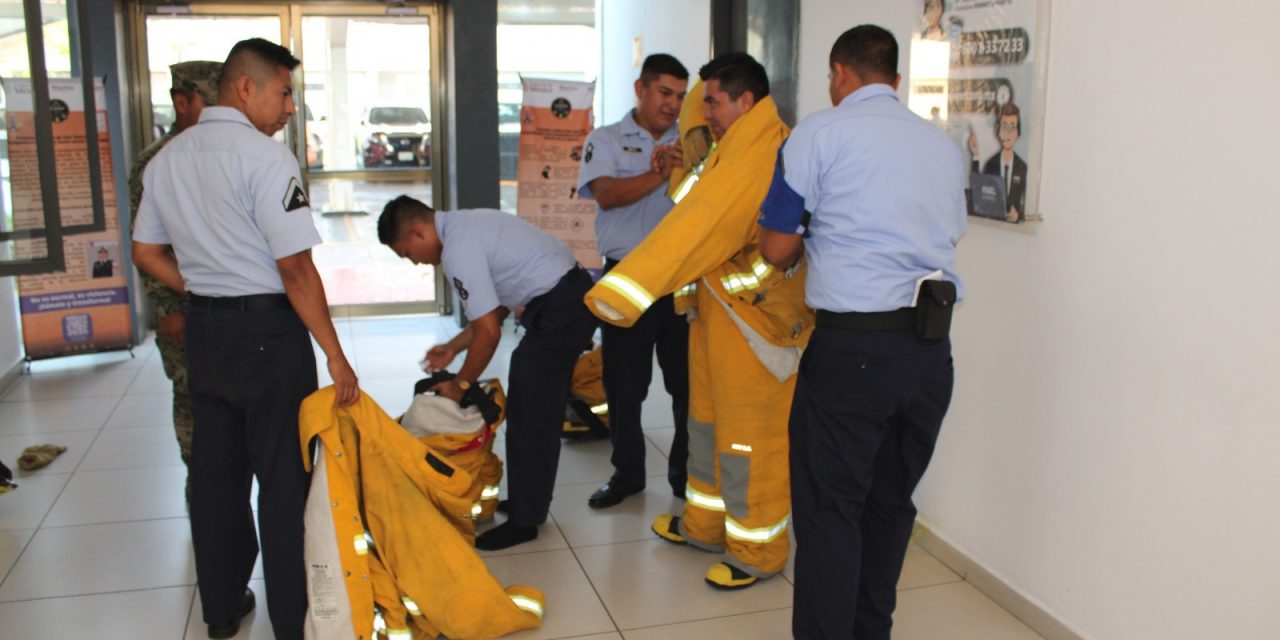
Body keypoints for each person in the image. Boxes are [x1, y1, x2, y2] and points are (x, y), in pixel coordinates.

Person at [132, 38, 359, 640]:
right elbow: (295, 269)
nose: (289, 107)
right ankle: (292, 619)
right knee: (283, 481)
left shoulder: (166, 161)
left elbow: (145, 252)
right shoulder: (266, 159)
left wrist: (203, 285)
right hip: (267, 335)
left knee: (216, 478)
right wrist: (336, 355)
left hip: (206, 333)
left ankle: (222, 607)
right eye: (283, 93)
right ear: (245, 88)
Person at [757, 25, 966, 639]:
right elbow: (948, 233)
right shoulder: (940, 145)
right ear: (895, 79)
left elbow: (776, 247)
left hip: (852, 352)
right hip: (929, 353)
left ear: (839, 73)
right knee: (889, 506)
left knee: (830, 513)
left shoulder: (819, 133)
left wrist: (813, 239)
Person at [583, 52, 810, 590]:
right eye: (702, 102)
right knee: (705, 427)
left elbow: (701, 225)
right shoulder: (726, 148)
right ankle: (705, 524)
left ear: (746, 102)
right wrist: (684, 161)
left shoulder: (761, 153)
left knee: (749, 442)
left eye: (713, 101)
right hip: (714, 313)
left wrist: (627, 288)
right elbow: (691, 199)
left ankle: (758, 551)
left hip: (756, 325)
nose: (703, 111)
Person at [377, 197, 598, 551]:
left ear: (417, 232)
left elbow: (489, 333)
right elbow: (494, 310)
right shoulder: (465, 224)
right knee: (531, 404)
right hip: (565, 297)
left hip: (561, 307)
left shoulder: (457, 249)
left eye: (408, 253)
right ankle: (529, 502)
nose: (416, 262)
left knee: (531, 412)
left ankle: (526, 520)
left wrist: (461, 384)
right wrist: (453, 347)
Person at [577, 53, 691, 509]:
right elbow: (606, 195)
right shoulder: (605, 139)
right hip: (626, 276)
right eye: (664, 93)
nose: (672, 105)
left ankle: (684, 475)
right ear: (640, 89)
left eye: (680, 96)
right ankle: (627, 474)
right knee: (624, 385)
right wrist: (658, 173)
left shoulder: (693, 142)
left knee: (687, 385)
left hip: (680, 279)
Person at [127, 60, 220, 491]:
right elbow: (147, 247)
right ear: (181, 102)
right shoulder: (155, 163)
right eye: (209, 102)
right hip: (183, 302)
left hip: (229, 303)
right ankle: (198, 482)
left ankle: (227, 483)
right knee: (191, 393)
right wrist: (167, 308)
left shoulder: (223, 154)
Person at [969, 101, 1027, 222]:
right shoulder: (991, 164)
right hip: (994, 229)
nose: (1008, 133)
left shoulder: (1022, 168)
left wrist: (1018, 215)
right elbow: (978, 197)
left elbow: (1027, 205)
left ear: (1018, 133)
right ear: (998, 131)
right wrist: (976, 156)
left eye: (1012, 127)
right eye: (1004, 127)